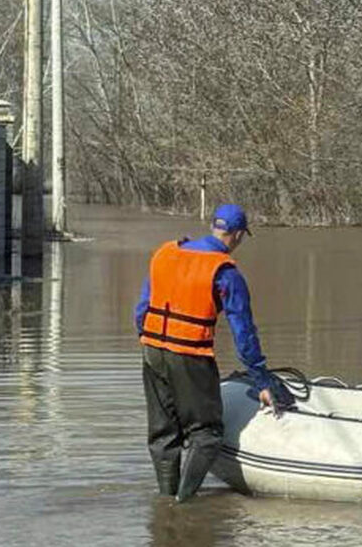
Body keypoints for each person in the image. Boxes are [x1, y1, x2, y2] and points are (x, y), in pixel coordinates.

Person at [134, 204, 279, 502]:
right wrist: (262, 381)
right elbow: (244, 334)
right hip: (190, 354)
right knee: (207, 435)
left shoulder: (166, 253)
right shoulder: (225, 272)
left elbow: (142, 309)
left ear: (214, 226)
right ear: (237, 235)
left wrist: (149, 340)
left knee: (163, 435)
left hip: (152, 349)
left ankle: (165, 501)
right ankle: (183, 505)